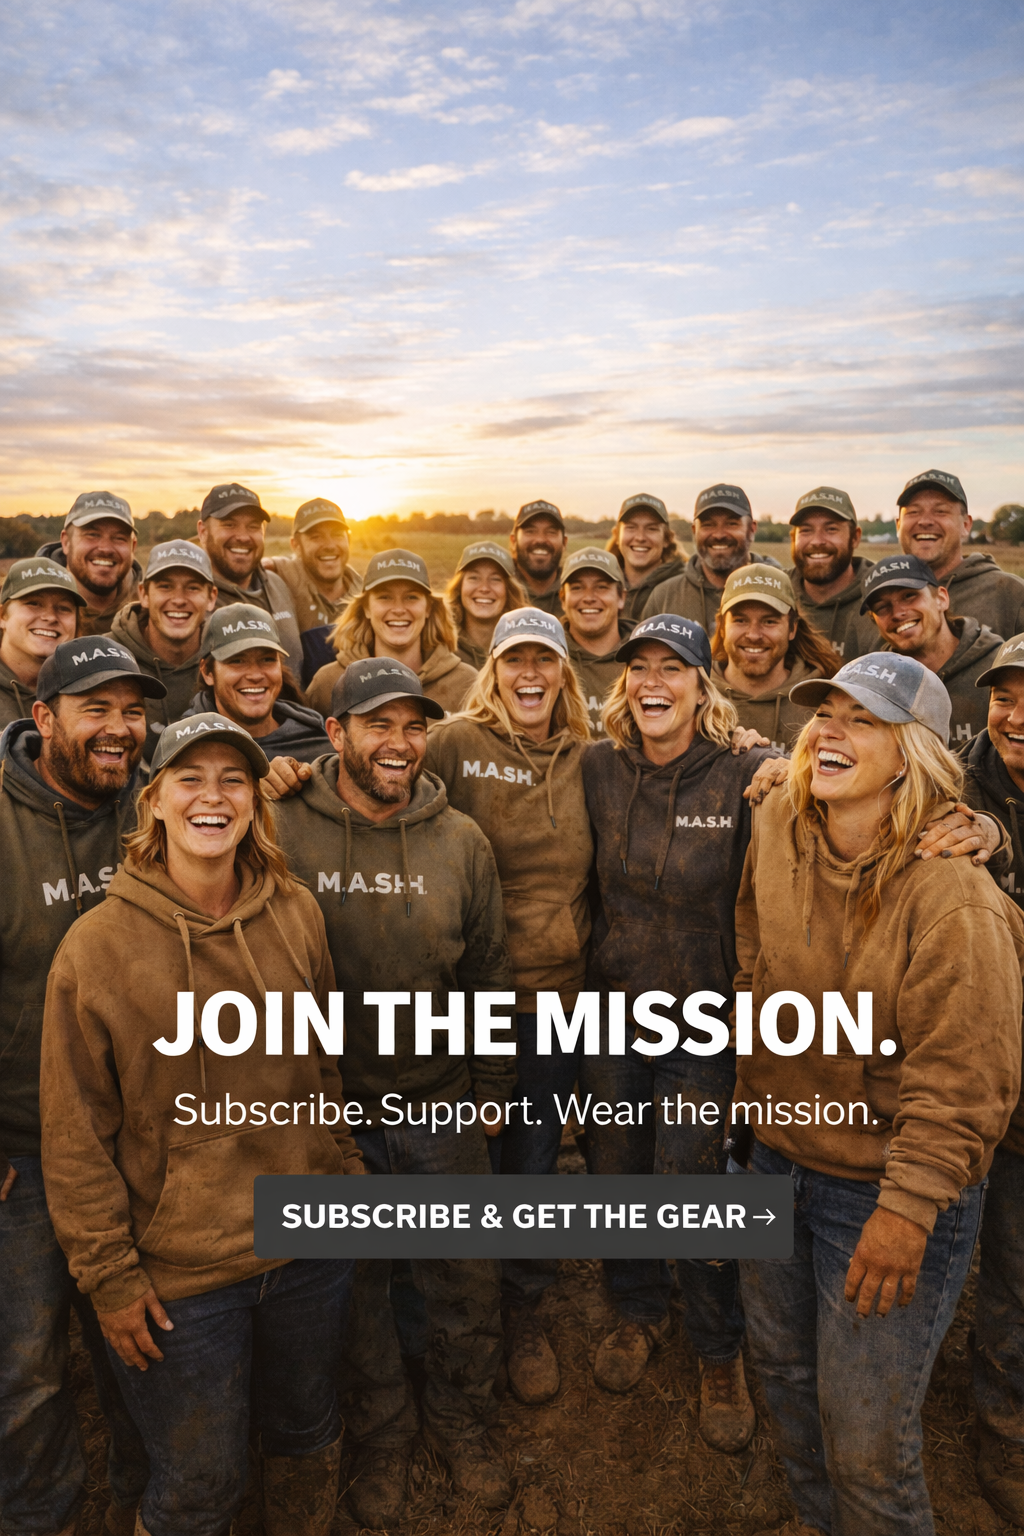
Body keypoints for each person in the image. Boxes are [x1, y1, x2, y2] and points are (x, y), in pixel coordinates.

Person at [39, 711, 363, 1536]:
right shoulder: (96, 948)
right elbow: (75, 1136)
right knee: (198, 1486)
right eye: (189, 779)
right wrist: (110, 1277)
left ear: (255, 800)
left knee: (306, 1435)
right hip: (181, 1276)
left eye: (232, 781)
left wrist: (345, 1173)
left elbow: (324, 1065)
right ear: (153, 800)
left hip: (308, 1245)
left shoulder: (296, 913)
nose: (212, 798)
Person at [732, 653, 1024, 1536]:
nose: (830, 731)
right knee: (784, 1381)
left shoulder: (953, 896)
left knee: (867, 1448)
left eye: (863, 720)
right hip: (772, 1161)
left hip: (880, 1193)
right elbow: (753, 947)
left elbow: (965, 1079)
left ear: (912, 754)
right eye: (824, 713)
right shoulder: (777, 823)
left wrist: (908, 1209)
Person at [272, 659, 516, 1525]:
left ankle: (462, 1422)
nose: (400, 743)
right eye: (378, 724)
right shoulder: (280, 826)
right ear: (335, 733)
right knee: (358, 1291)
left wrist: (493, 1083)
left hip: (440, 1101)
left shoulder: (461, 841)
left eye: (414, 726)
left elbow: (488, 972)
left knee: (464, 1281)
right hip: (332, 1113)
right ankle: (382, 1434)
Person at [579, 613, 777, 1448]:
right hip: (613, 1010)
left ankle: (717, 1348)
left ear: (703, 685)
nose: (652, 682)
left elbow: (839, 783)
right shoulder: (596, 766)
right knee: (617, 1169)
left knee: (693, 1187)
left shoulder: (747, 772)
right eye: (639, 667)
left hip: (704, 1019)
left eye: (673, 667)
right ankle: (637, 1309)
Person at [0, 637, 163, 1536]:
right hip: (21, 1146)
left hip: (137, 1135)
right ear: (43, 718)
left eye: (133, 711)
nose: (119, 729)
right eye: (95, 708)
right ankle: (44, 1518)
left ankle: (145, 1502)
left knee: (138, 1345)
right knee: (28, 1366)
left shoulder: (155, 802)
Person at [425, 608, 593, 1410]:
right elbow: (374, 775)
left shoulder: (592, 757)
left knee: (531, 1161)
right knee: (464, 1162)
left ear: (564, 672)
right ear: (492, 670)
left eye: (544, 660)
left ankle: (523, 1305)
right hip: (464, 995)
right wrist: (295, 773)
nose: (531, 674)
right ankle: (461, 1315)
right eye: (515, 659)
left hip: (555, 999)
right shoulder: (456, 744)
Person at [961, 636, 1024, 1524]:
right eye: (1006, 697)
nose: (1017, 716)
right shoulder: (955, 779)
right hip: (965, 1049)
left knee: (1015, 1254)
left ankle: (1003, 1413)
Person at [306, 549, 476, 718]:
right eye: (385, 597)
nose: (398, 609)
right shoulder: (328, 682)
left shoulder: (467, 683)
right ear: (366, 608)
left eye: (411, 597)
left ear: (428, 608)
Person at [859, 552, 1002, 748]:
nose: (898, 613)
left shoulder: (998, 667)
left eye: (909, 596)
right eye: (882, 607)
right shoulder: (873, 683)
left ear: (941, 598)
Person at [110, 540, 218, 763]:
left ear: (211, 597)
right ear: (144, 594)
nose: (178, 600)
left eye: (193, 588)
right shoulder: (107, 656)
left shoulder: (227, 658)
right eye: (165, 587)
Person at [710, 566, 839, 750]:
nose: (753, 635)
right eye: (740, 620)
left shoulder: (820, 702)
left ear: (792, 628)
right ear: (722, 626)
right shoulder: (695, 695)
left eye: (769, 621)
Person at [185, 604, 331, 764]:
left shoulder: (317, 738)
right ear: (207, 672)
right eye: (237, 661)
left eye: (267, 659)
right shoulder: (184, 747)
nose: (255, 675)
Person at [896, 469, 1024, 640]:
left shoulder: (1011, 594)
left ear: (966, 525)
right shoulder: (880, 600)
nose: (925, 521)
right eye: (913, 512)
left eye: (940, 511)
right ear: (898, 525)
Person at [195, 482, 303, 679]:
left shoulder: (277, 584)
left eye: (253, 526)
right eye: (229, 524)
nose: (243, 537)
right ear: (203, 532)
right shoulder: (193, 602)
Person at [641, 484, 781, 633]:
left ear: (752, 529)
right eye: (708, 525)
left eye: (731, 524)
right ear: (694, 531)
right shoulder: (664, 597)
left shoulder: (781, 590)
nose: (719, 535)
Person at [786, 486, 876, 659]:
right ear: (793, 538)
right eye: (806, 530)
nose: (817, 541)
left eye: (831, 529)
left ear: (855, 537)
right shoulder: (775, 594)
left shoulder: (880, 595)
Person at [38, 491, 143, 637]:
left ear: (133, 547)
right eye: (92, 535)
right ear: (66, 542)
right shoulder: (28, 608)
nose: (105, 548)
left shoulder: (150, 613)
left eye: (119, 538)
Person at [0, 557, 85, 730]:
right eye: (34, 604)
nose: (50, 617)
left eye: (64, 608)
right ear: (2, 616)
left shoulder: (86, 689)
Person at [559, 547, 634, 736]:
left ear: (621, 598)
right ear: (563, 599)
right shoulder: (550, 656)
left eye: (601, 587)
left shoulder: (644, 656)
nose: (589, 598)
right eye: (577, 588)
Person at [262, 496, 361, 630]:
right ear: (296, 545)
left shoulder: (366, 595)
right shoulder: (280, 584)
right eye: (316, 537)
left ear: (348, 540)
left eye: (337, 535)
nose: (329, 545)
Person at [446, 541, 527, 668]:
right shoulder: (440, 645)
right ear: (459, 587)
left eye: (495, 579)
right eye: (474, 578)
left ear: (509, 590)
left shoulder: (526, 643)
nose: (484, 588)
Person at [606, 493, 686, 621]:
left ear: (666, 539)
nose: (640, 537)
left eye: (651, 529)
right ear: (617, 536)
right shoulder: (601, 584)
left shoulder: (683, 589)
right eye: (631, 527)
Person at [509, 500, 568, 615]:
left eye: (551, 532)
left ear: (564, 543)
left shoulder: (576, 595)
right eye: (530, 531)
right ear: (513, 541)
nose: (540, 539)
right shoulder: (498, 592)